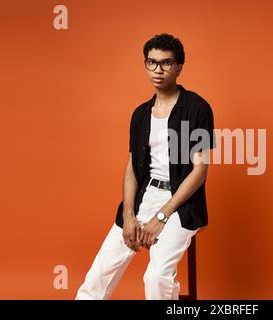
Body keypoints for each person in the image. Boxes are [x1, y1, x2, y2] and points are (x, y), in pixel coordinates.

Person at [75, 33, 216, 300]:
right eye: (152, 62)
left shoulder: (197, 108)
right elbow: (131, 166)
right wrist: (129, 215)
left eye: (166, 63)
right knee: (97, 276)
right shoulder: (140, 114)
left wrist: (161, 217)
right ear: (145, 64)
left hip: (180, 204)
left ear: (179, 67)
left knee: (156, 277)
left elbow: (200, 171)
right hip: (144, 198)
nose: (158, 70)